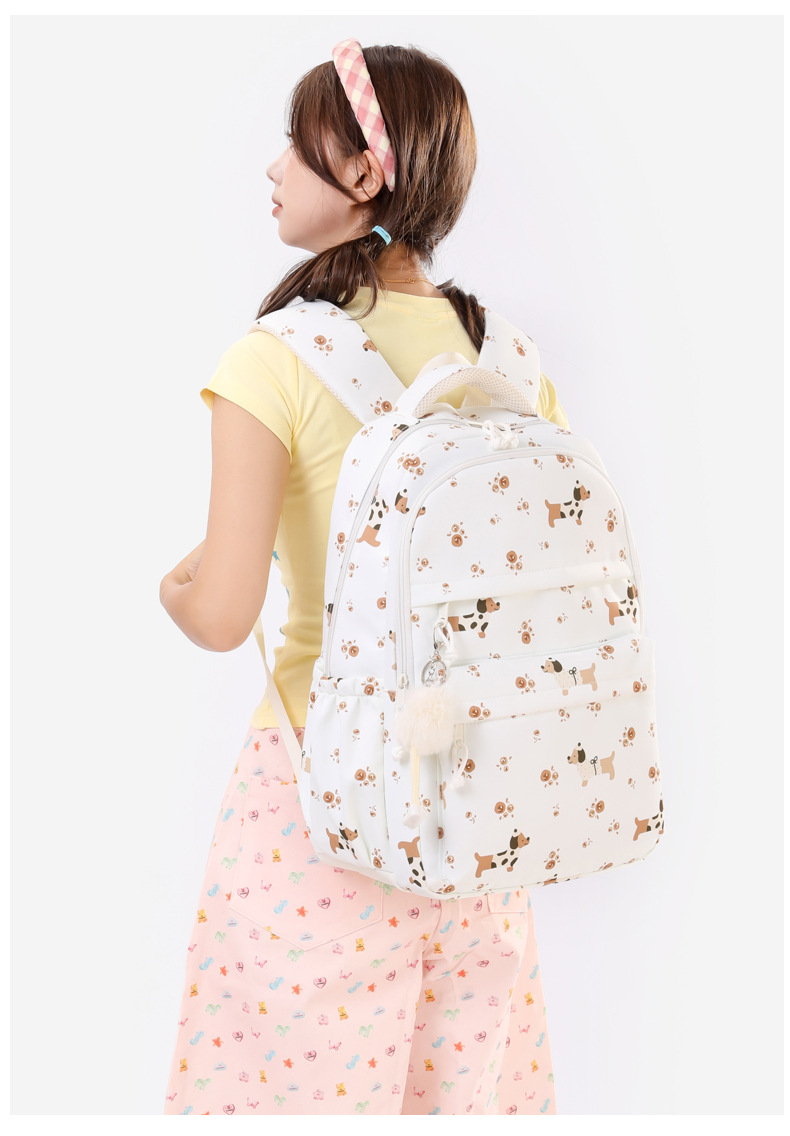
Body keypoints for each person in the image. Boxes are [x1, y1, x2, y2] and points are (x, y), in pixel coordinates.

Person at [160, 38, 568, 1117]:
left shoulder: (276, 358)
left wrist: (176, 586)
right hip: (480, 812)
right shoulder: (512, 363)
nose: (273, 168)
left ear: (359, 171)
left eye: (296, 146)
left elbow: (224, 612)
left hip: (318, 805)